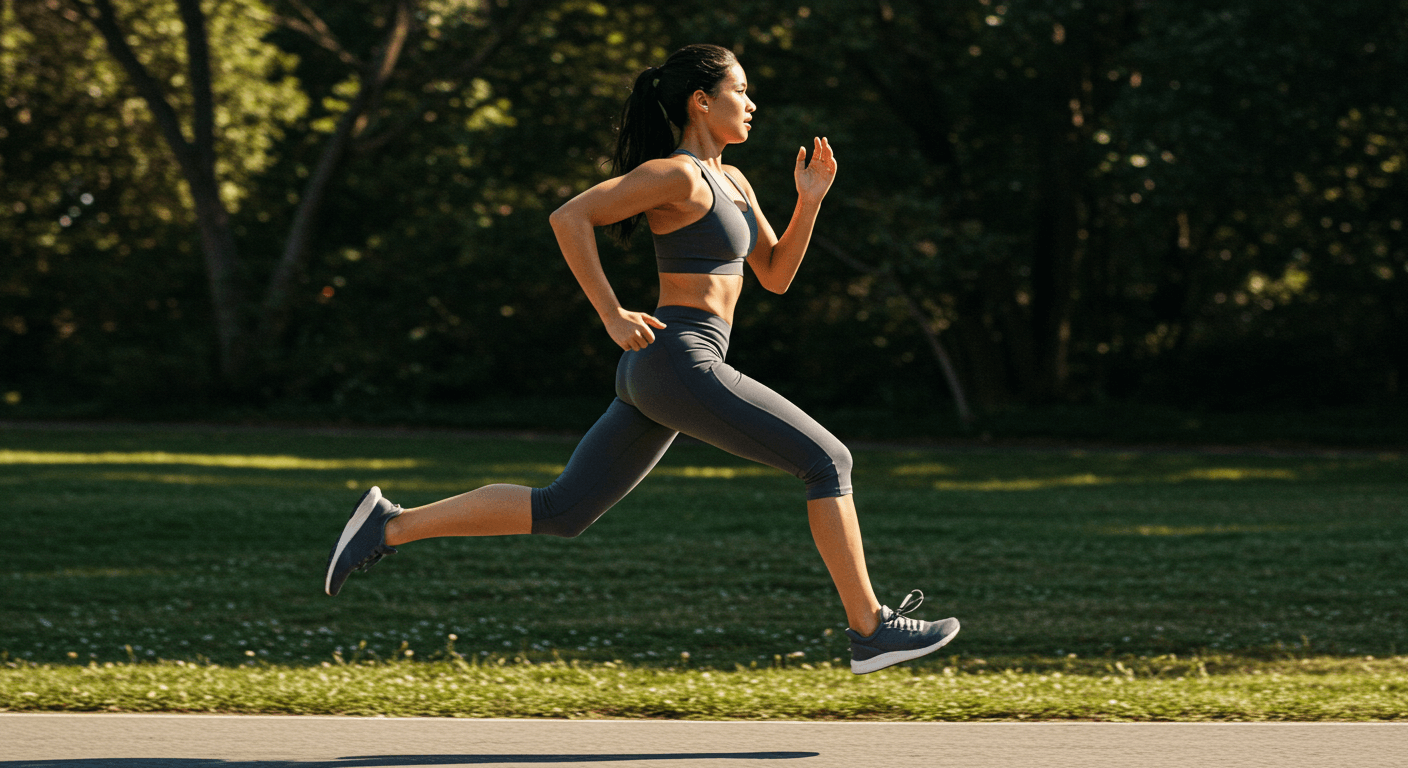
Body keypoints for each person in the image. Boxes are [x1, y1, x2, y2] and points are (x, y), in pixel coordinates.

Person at [323, 43, 959, 674]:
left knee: (563, 511)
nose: (752, 103)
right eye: (740, 91)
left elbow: (774, 274)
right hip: (680, 358)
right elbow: (570, 216)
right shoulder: (676, 174)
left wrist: (810, 198)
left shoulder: (732, 180)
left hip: (663, 370)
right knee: (829, 461)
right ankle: (870, 629)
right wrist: (611, 312)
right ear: (701, 101)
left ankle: (389, 527)